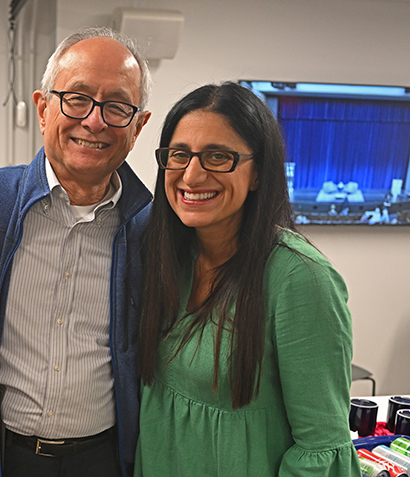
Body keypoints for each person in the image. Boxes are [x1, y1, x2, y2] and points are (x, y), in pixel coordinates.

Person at [0, 27, 152, 477]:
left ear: (138, 126)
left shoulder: (153, 229)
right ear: (42, 107)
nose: (94, 121)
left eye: (117, 106)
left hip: (104, 461)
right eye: (76, 98)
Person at [134, 82, 362, 476]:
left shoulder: (300, 280)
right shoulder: (167, 256)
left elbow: (322, 447)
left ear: (257, 173)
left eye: (218, 157)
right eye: (179, 155)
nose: (191, 175)